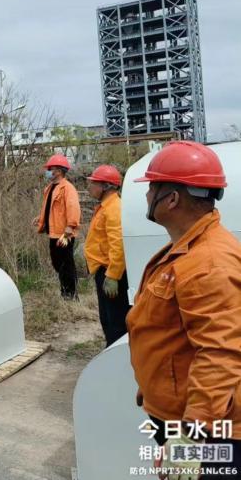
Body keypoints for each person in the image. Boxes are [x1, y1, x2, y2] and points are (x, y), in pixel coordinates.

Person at [128, 141, 241, 478]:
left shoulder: (210, 263)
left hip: (208, 430)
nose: (146, 194)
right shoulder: (188, 249)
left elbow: (221, 353)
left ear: (172, 199)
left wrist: (191, 436)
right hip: (180, 416)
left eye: (152, 187)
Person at [84, 164, 129, 346]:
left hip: (111, 274)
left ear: (106, 186)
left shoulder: (113, 208)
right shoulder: (106, 206)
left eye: (94, 183)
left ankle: (118, 355)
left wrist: (113, 275)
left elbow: (118, 243)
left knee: (116, 322)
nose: (90, 187)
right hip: (105, 271)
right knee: (107, 320)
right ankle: (111, 352)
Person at [35, 154, 82, 300]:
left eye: (51, 169)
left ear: (59, 171)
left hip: (64, 234)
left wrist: (70, 226)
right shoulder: (50, 188)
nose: (48, 171)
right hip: (53, 233)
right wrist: (41, 219)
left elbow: (73, 208)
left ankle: (71, 295)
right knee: (58, 264)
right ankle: (65, 292)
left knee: (66, 265)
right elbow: (49, 208)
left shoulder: (68, 188)